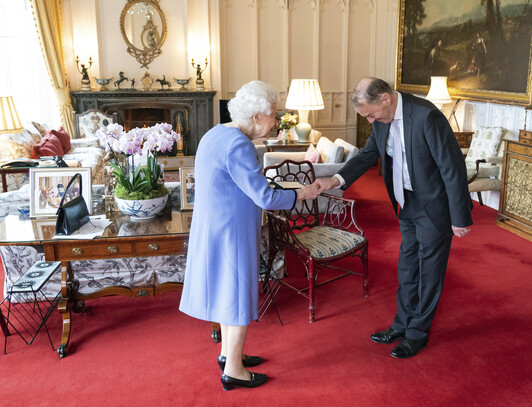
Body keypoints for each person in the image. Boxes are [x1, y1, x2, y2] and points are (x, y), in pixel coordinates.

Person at [315, 77, 473, 358]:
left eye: (371, 113)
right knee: (407, 268)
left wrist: (460, 216)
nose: (371, 120)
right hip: (405, 203)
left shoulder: (427, 117)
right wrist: (335, 179)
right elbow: (366, 156)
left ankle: (417, 334)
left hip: (433, 207)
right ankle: (401, 325)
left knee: (429, 272)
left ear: (385, 99)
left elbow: (452, 167)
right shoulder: (380, 122)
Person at [179, 80, 319, 390]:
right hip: (232, 232)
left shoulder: (216, 133)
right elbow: (265, 198)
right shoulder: (239, 144)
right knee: (238, 293)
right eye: (274, 115)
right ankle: (234, 372)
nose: (277, 121)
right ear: (257, 116)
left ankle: (230, 356)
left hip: (215, 226)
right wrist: (303, 194)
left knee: (228, 292)